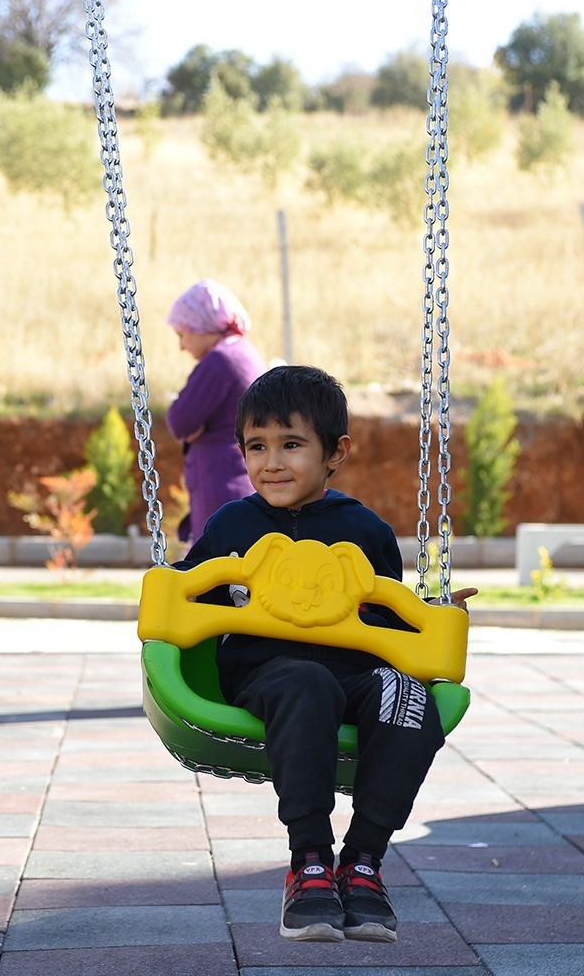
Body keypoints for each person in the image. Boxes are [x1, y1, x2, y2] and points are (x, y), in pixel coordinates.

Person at [178, 365, 476, 945]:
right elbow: (189, 595)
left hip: (355, 675)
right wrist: (166, 590)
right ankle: (309, 861)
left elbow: (393, 621)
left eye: (292, 445)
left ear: (334, 452)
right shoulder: (232, 523)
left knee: (408, 697)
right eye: (256, 446)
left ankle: (362, 863)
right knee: (306, 682)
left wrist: (439, 615)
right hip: (269, 675)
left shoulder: (363, 529)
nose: (272, 462)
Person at [165, 278, 266, 545]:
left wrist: (194, 428)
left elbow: (180, 420)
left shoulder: (219, 361)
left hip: (221, 487)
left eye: (182, 334)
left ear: (201, 327)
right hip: (241, 481)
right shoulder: (244, 352)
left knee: (217, 575)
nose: (182, 345)